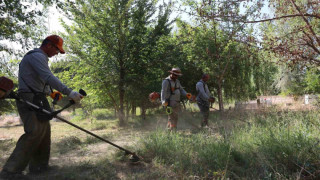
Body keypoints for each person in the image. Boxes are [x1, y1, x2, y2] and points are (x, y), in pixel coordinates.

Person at [0, 35, 83, 179]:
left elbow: (40, 80)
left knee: (44, 132)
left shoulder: (41, 58)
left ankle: (39, 167)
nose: (57, 54)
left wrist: (50, 93)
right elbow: (48, 77)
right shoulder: (37, 56)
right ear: (49, 45)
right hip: (28, 97)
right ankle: (10, 171)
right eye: (57, 50)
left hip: (38, 97)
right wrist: (69, 92)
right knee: (34, 132)